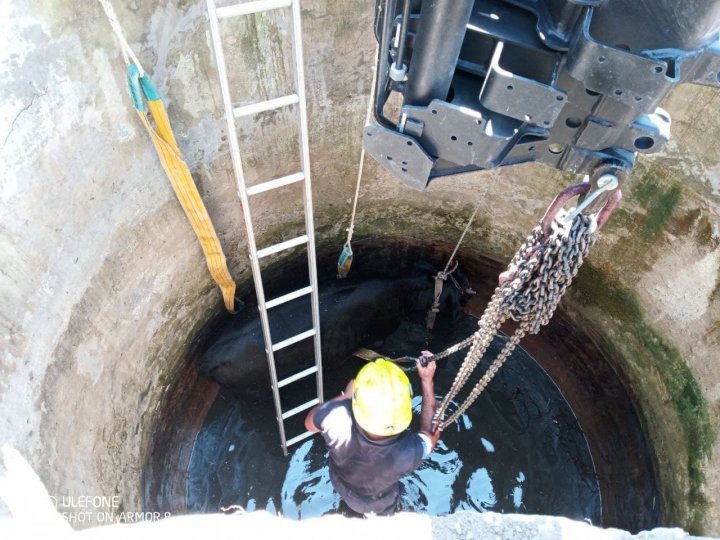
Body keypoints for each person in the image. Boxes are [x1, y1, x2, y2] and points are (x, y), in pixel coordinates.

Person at [304, 354, 441, 516]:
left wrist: (345, 398)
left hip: (342, 485)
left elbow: (309, 424)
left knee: (348, 504)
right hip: (380, 504)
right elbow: (431, 434)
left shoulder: (334, 418)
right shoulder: (409, 452)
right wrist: (427, 381)